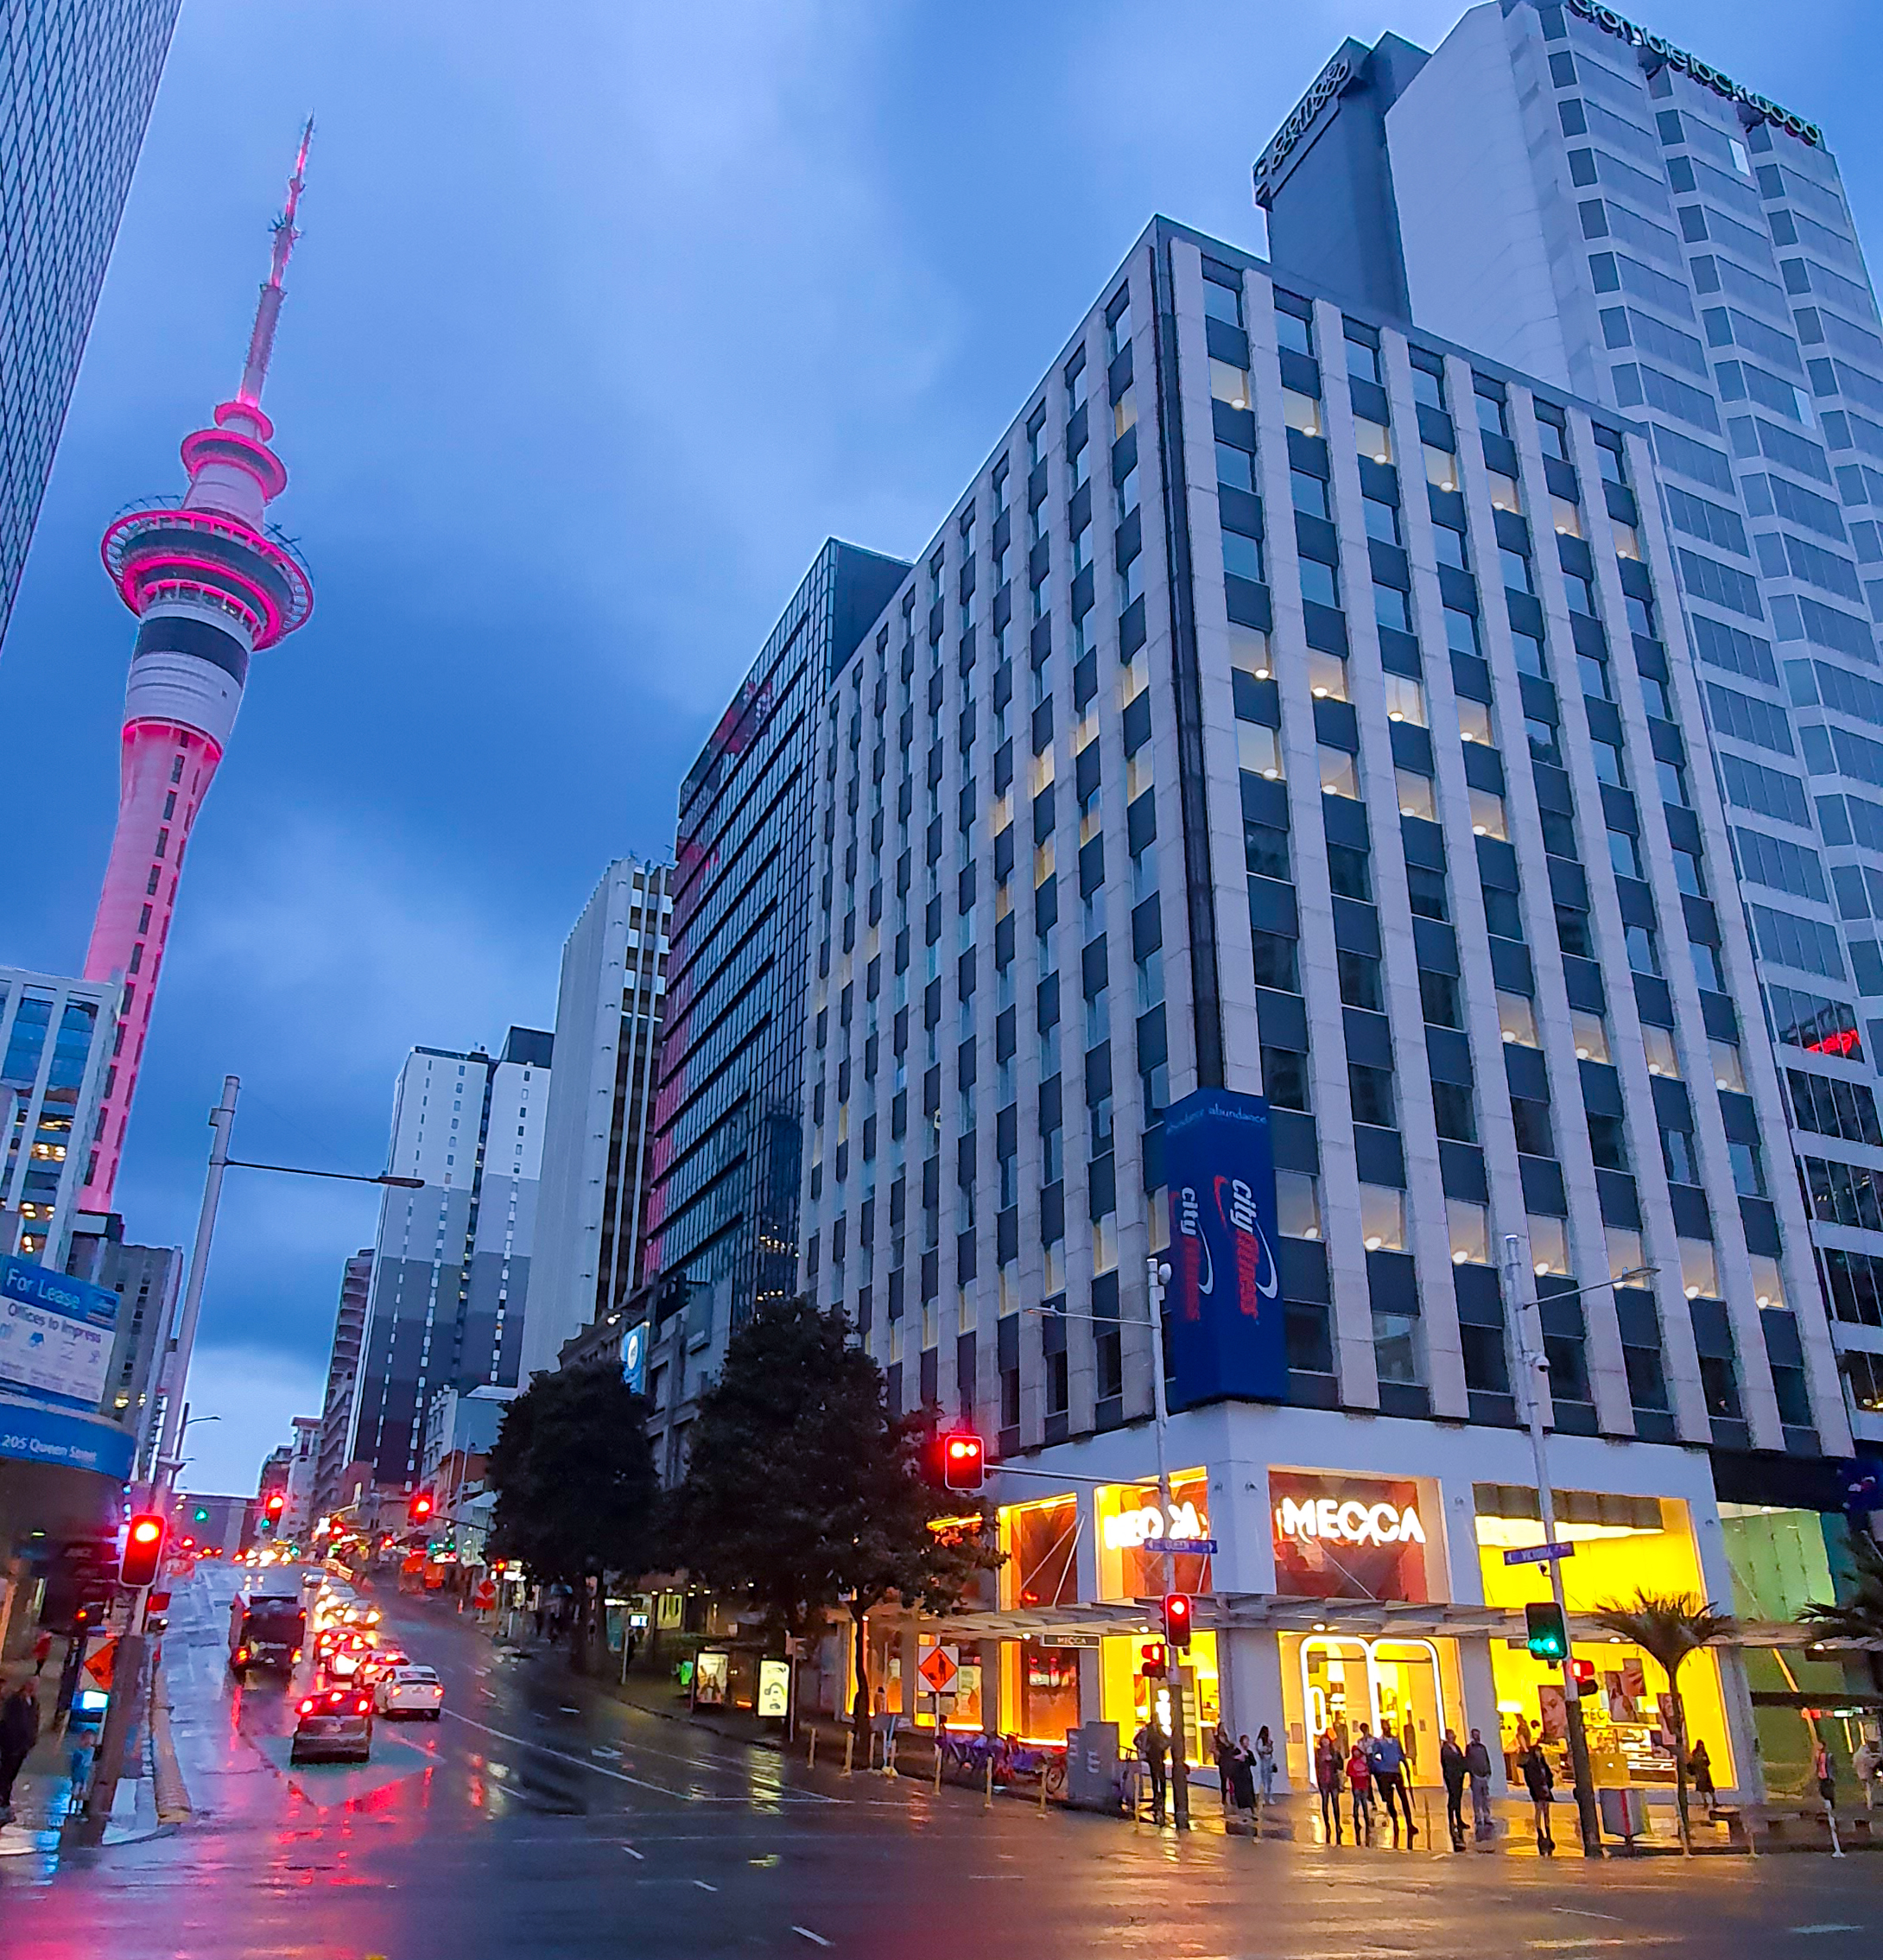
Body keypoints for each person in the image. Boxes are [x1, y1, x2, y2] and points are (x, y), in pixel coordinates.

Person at [0, 1678, 41, 1825]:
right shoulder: (15, 1701)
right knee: (5, 1772)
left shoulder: (34, 1703)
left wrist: (31, 1740)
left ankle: (5, 1800)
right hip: (11, 1744)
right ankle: (2, 1801)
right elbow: (9, 1721)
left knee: (11, 1773)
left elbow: (34, 1721)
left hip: (24, 1745)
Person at [1372, 1722, 1416, 1839]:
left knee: (1404, 1798)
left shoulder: (1396, 1742)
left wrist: (1405, 1766)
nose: (1387, 1729)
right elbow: (1374, 1756)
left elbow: (1401, 1755)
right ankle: (1395, 1820)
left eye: (1388, 1727)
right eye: (1385, 1728)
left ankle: (1409, 1823)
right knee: (1390, 1799)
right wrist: (1380, 1767)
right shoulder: (1379, 1743)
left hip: (1396, 1772)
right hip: (1386, 1772)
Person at [1519, 1739, 1556, 1855]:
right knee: (1539, 1809)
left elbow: (1548, 1774)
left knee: (1546, 1810)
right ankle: (1540, 1831)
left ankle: (1548, 1830)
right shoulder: (1532, 1765)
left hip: (1545, 1788)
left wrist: (1549, 1784)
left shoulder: (1542, 1764)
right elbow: (1531, 1779)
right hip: (1538, 1789)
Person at [1134, 1718, 1169, 1826]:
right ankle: (1158, 1799)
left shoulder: (1157, 1730)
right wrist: (1145, 1749)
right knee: (1156, 1777)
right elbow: (1136, 1740)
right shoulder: (1149, 1730)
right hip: (1154, 1756)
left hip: (1158, 1756)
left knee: (1160, 1778)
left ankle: (1160, 1798)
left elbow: (1166, 1740)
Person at [1439, 1728, 1468, 1848]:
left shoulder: (1456, 1747)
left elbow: (1461, 1759)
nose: (1454, 1737)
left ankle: (1459, 1818)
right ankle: (1451, 1820)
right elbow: (1446, 1763)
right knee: (1453, 1797)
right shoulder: (1445, 1749)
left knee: (1458, 1797)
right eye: (1451, 1735)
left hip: (1459, 1775)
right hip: (1451, 1776)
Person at [1464, 1728, 1495, 1840]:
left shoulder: (1483, 1748)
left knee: (1486, 1798)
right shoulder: (1470, 1748)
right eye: (1476, 1735)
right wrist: (1473, 1773)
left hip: (1484, 1776)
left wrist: (1488, 1772)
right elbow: (1468, 1761)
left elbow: (1486, 1760)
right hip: (1476, 1777)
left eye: (1479, 1735)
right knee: (1477, 1798)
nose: (1478, 1737)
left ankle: (1487, 1817)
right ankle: (1478, 1817)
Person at [1315, 1732, 1344, 1843]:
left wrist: (1333, 1759)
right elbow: (1317, 1766)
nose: (1325, 1742)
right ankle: (1327, 1824)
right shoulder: (1318, 1753)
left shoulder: (1334, 1752)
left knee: (1335, 1803)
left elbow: (1340, 1766)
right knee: (1325, 1803)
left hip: (1333, 1780)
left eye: (1327, 1740)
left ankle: (1338, 1824)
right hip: (1323, 1780)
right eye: (1323, 1740)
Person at [1346, 1736, 1375, 1836]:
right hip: (1356, 1786)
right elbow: (1349, 1772)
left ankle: (1366, 1819)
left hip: (1363, 1785)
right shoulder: (1351, 1762)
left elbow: (1367, 1772)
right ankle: (1357, 1819)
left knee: (1364, 1803)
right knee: (1357, 1803)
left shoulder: (1363, 1761)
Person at [1227, 1735, 1258, 1824]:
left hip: (1247, 1776)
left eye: (1248, 1742)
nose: (1247, 1744)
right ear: (1241, 1742)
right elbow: (1231, 1763)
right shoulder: (1236, 1752)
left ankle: (1252, 1813)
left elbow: (1254, 1763)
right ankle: (1242, 1815)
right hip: (1239, 1777)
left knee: (1250, 1796)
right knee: (1241, 1796)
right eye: (1245, 1741)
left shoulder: (1249, 1752)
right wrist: (1238, 1758)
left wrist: (1247, 1758)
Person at [1212, 1722, 1236, 1812]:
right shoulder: (1216, 1739)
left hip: (1229, 1760)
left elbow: (1231, 1746)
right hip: (1223, 1761)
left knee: (1231, 1779)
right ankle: (1224, 1797)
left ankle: (1232, 1796)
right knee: (1224, 1780)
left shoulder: (1226, 1738)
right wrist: (1216, 1754)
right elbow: (1212, 1748)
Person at [1853, 1730, 1880, 1811]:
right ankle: (1870, 1804)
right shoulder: (1864, 1754)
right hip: (1866, 1773)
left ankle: (1869, 1802)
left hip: (1861, 1772)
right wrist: (1878, 1759)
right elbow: (1871, 1762)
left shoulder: (1859, 1753)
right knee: (1869, 1788)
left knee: (1866, 1788)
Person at [1688, 1739, 1716, 1812]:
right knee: (1702, 1789)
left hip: (1705, 1773)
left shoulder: (1704, 1753)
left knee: (1710, 1788)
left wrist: (1704, 1763)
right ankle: (1705, 1802)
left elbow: (1708, 1762)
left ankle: (1714, 1801)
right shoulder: (1695, 1753)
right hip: (1700, 1773)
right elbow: (1692, 1763)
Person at [1254, 1725, 1278, 1804]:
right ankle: (1263, 1797)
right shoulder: (1261, 1741)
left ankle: (1269, 1796)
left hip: (1269, 1760)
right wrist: (1266, 1749)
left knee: (1269, 1780)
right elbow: (1260, 1749)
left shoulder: (1269, 1740)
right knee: (1264, 1780)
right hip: (1264, 1760)